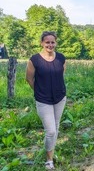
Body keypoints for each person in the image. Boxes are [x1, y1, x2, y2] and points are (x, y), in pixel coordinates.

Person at [26, 31, 66, 170]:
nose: (50, 45)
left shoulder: (61, 58)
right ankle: (49, 160)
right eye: (47, 42)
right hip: (43, 100)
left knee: (56, 127)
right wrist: (39, 91)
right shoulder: (34, 60)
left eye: (52, 42)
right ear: (42, 43)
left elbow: (61, 75)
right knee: (51, 131)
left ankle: (51, 153)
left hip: (60, 98)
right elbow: (29, 79)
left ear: (56, 43)